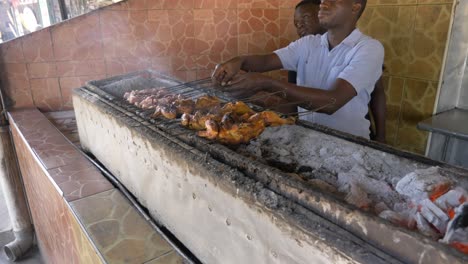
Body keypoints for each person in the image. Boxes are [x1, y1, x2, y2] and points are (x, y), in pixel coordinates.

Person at [212, 0, 384, 140]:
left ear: (355, 6)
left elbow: (332, 102)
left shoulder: (369, 48)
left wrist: (266, 83)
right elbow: (265, 61)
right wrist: (237, 61)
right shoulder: (308, 43)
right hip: (309, 138)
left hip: (349, 146)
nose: (323, 4)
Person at [290, 0, 386, 143]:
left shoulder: (362, 50)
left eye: (305, 18)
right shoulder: (300, 52)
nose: (300, 26)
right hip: (315, 138)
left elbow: (378, 93)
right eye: (296, 23)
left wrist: (381, 136)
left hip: (351, 137)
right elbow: (292, 99)